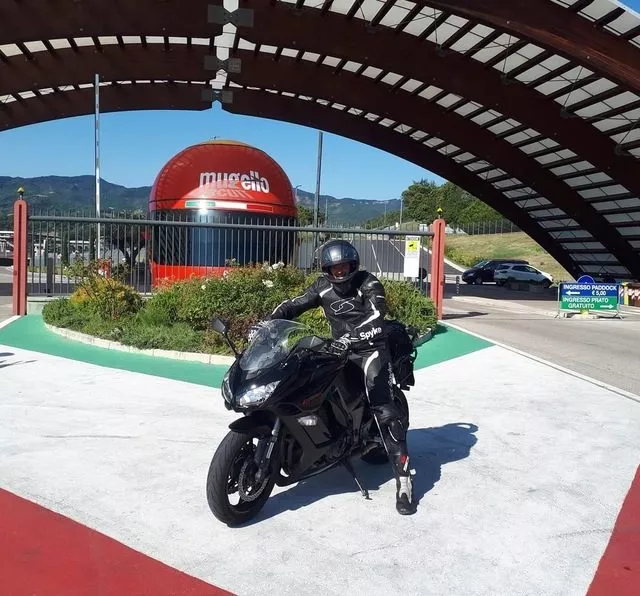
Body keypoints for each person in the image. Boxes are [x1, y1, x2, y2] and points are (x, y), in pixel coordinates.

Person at [264, 239, 416, 515]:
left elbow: (377, 317)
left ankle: (404, 481)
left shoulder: (369, 283)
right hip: (339, 349)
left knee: (383, 409)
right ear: (326, 269)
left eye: (345, 266)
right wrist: (267, 322)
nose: (340, 272)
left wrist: (352, 337)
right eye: (334, 268)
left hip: (370, 349)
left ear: (354, 264)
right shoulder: (322, 287)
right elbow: (294, 304)